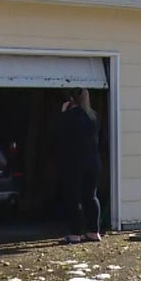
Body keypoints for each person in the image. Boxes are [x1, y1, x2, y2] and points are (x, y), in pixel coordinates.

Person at [55, 88, 102, 243]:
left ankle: (75, 234)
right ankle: (93, 231)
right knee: (91, 197)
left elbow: (60, 135)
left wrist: (63, 113)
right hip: (93, 162)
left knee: (73, 197)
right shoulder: (93, 116)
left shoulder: (70, 116)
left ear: (71, 100)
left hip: (74, 163)